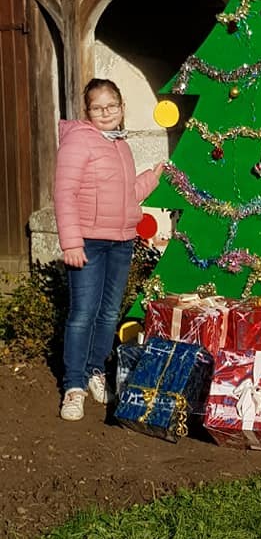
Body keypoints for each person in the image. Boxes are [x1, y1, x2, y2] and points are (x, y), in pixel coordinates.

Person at [54, 78, 163, 421]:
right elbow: (64, 193)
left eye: (111, 106)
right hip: (88, 241)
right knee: (83, 313)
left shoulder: (120, 145)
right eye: (98, 107)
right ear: (87, 111)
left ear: (121, 108)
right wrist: (71, 242)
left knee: (108, 313)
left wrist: (154, 176)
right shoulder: (78, 142)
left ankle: (94, 371)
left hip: (121, 240)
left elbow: (127, 195)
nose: (106, 113)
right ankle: (73, 386)